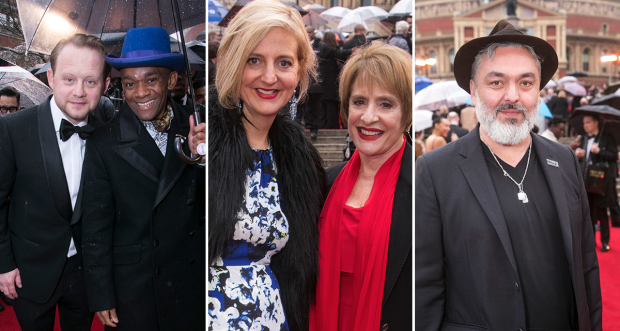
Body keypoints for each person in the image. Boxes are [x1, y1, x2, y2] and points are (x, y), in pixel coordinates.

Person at [416, 20, 602, 331]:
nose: (512, 96)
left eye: (526, 83)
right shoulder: (435, 170)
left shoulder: (564, 159)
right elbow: (425, 289)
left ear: (539, 93)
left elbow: (586, 268)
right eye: (497, 83)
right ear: (474, 91)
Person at [208, 1, 326, 330]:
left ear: (299, 72)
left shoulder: (299, 159)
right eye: (254, 60)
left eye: (284, 62)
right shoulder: (206, 146)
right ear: (232, 62)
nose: (270, 76)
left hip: (273, 316)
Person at [81, 26, 206, 330]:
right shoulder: (103, 142)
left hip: (192, 279)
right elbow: (95, 227)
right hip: (135, 286)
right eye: (129, 83)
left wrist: (203, 161)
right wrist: (101, 295)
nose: (140, 92)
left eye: (151, 79)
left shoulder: (200, 127)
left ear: (172, 80)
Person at [0, 33, 111, 330]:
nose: (79, 91)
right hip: (29, 270)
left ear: (105, 85)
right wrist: (4, 264)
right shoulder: (13, 129)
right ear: (50, 78)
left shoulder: (110, 131)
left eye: (90, 81)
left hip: (86, 273)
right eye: (69, 79)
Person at [310, 42, 412, 331]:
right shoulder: (323, 183)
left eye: (386, 104)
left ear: (407, 114)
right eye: (359, 102)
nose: (368, 117)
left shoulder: (425, 189)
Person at [570, 114, 617, 252]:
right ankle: (590, 241)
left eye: (588, 122)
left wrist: (600, 151)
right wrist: (577, 154)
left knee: (602, 212)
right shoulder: (583, 138)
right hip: (585, 181)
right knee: (588, 212)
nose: (585, 125)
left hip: (601, 182)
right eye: (584, 123)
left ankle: (605, 241)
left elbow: (614, 156)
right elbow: (582, 159)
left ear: (596, 122)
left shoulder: (607, 138)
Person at [304, 26, 352, 138]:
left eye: (310, 32)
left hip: (318, 83)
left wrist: (350, 51)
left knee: (316, 108)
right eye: (307, 32)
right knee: (307, 108)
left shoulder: (321, 46)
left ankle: (313, 129)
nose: (308, 34)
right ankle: (308, 127)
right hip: (305, 82)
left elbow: (335, 52)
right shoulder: (301, 46)